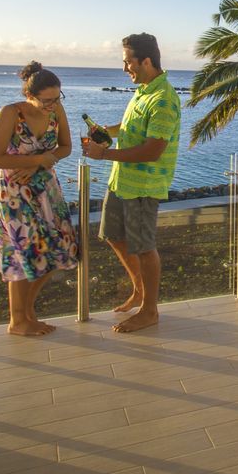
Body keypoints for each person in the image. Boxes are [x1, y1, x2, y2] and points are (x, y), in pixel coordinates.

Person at [82, 33, 180, 333]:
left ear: (146, 61)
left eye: (128, 62)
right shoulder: (144, 91)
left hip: (143, 187)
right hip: (121, 181)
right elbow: (130, 128)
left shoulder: (163, 99)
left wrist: (104, 154)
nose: (125, 68)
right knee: (113, 235)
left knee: (145, 247)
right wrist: (106, 132)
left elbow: (153, 150)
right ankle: (139, 290)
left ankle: (150, 310)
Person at [0, 61, 79, 336]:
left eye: (57, 98)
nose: (53, 105)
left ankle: (28, 313)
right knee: (24, 254)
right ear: (29, 95)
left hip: (46, 190)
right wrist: (38, 159)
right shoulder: (10, 114)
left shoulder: (56, 111)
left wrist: (37, 165)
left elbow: (65, 147)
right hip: (15, 194)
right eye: (46, 100)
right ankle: (18, 321)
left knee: (55, 251)